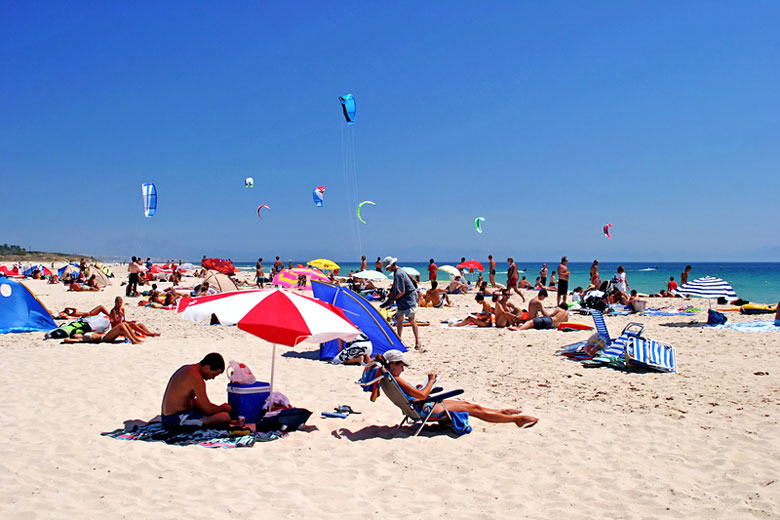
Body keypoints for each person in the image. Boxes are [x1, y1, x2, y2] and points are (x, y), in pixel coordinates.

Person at [382, 350, 537, 428]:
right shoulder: (397, 379)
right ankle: (515, 420)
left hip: (420, 405)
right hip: (426, 407)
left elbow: (415, 395)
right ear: (394, 363)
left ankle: (501, 413)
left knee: (470, 404)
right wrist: (431, 381)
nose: (403, 369)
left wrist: (418, 388)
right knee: (473, 409)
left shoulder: (390, 379)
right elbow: (422, 396)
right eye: (401, 365)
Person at [160, 353, 233, 429]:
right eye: (214, 374)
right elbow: (208, 410)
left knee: (216, 413)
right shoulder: (196, 378)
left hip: (169, 417)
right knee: (225, 417)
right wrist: (222, 408)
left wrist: (216, 408)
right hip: (175, 420)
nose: (213, 378)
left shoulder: (188, 369)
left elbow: (193, 400)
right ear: (208, 368)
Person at [383, 256, 421, 349]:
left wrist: (393, 299)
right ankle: (398, 340)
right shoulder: (398, 272)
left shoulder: (399, 274)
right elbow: (396, 286)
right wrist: (391, 293)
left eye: (387, 267)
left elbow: (402, 291)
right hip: (403, 300)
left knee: (411, 320)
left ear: (392, 265)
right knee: (398, 318)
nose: (387, 270)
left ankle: (417, 342)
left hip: (409, 299)